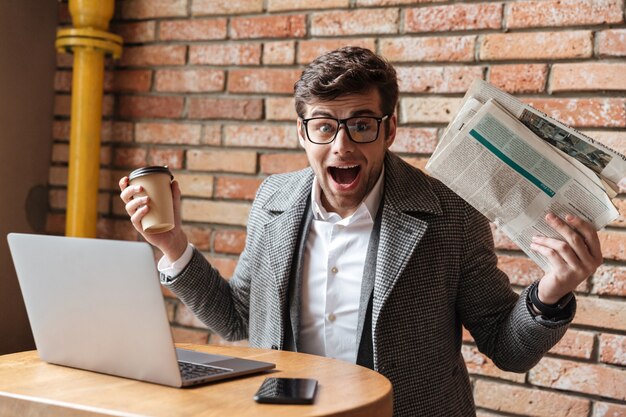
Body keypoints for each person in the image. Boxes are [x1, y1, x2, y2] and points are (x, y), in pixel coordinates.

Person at [119, 47, 603, 416]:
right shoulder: (273, 201)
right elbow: (240, 321)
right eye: (325, 127)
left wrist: (551, 293)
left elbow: (506, 347)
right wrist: (171, 245)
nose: (342, 145)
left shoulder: (450, 214)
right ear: (302, 131)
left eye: (361, 125)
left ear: (390, 129)